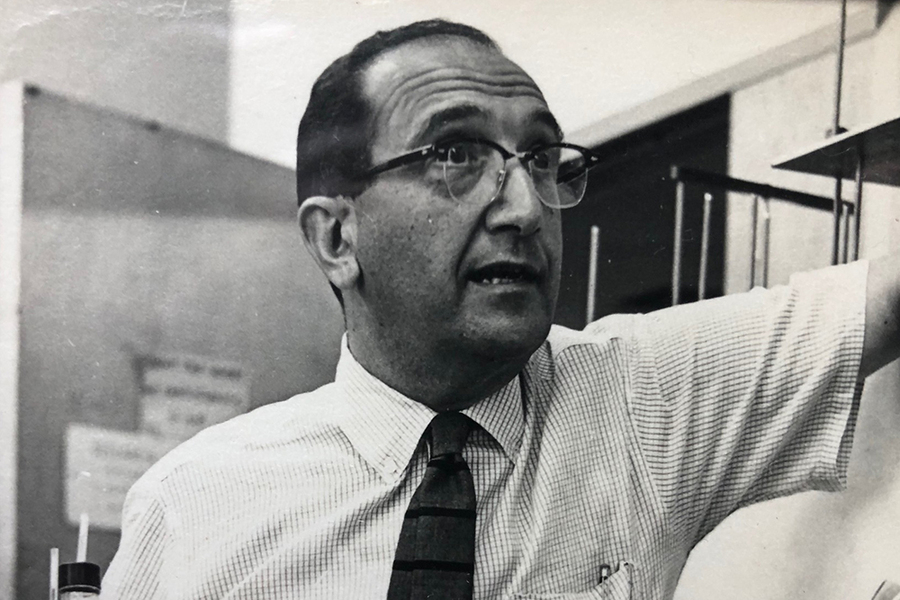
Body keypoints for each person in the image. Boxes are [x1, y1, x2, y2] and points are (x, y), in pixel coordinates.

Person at [100, 19, 900, 600]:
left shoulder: (641, 400)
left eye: (542, 159)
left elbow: (885, 298)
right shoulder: (194, 504)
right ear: (337, 237)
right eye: (454, 155)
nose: (523, 205)